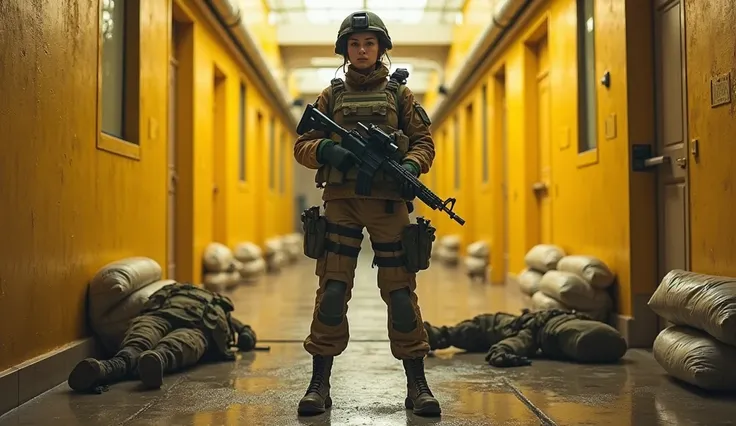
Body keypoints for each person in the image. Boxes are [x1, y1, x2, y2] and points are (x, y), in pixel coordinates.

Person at [293, 10, 440, 417]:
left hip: (389, 204)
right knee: (333, 292)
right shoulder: (331, 95)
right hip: (341, 201)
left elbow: (423, 142)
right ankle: (319, 384)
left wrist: (411, 166)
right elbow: (303, 144)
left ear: (380, 49)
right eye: (355, 44)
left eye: (369, 44)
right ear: (345, 50)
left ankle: (417, 384)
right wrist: (327, 150)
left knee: (400, 294)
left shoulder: (400, 96)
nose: (362, 50)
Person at [67, 283, 259, 393]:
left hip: (197, 327)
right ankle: (106, 368)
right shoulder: (174, 289)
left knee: (179, 345)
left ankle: (150, 362)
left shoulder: (220, 306)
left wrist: (246, 335)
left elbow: (244, 330)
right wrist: (246, 336)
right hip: (163, 316)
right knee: (142, 339)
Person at [423, 309, 628, 367]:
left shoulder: (537, 333)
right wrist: (502, 352)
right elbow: (514, 343)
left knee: (478, 327)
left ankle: (437, 336)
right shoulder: (539, 332)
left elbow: (513, 343)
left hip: (507, 324)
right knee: (474, 329)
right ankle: (436, 335)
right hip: (526, 323)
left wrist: (502, 353)